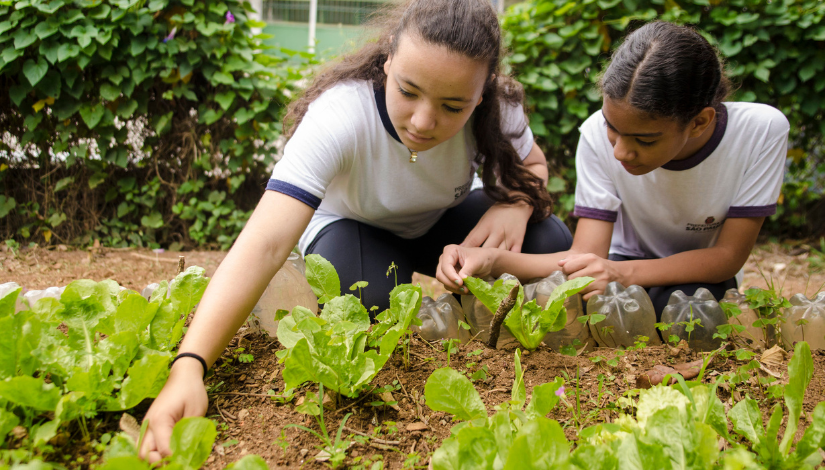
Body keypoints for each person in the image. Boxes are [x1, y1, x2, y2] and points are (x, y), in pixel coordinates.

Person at [139, 0, 571, 461]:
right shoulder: (341, 114)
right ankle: (309, 275)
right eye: (408, 90)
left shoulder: (498, 108)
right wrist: (189, 366)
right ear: (388, 59)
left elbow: (533, 166)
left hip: (436, 220)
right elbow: (262, 243)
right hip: (353, 225)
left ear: (480, 94)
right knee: (368, 303)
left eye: (453, 106)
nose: (423, 122)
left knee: (549, 240)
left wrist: (518, 204)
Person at [436, 21, 789, 318]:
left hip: (695, 275)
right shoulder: (593, 134)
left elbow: (726, 258)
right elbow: (584, 258)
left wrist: (622, 273)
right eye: (612, 127)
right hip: (619, 266)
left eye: (644, 140)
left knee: (691, 308)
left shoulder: (760, 132)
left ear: (699, 122)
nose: (620, 150)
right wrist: (493, 260)